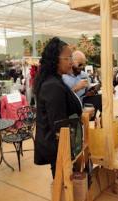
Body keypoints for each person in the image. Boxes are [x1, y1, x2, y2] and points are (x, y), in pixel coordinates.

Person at [34, 37, 83, 178]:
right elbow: (59, 126)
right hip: (58, 148)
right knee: (62, 182)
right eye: (68, 58)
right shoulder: (52, 85)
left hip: (61, 146)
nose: (71, 62)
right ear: (55, 59)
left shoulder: (55, 80)